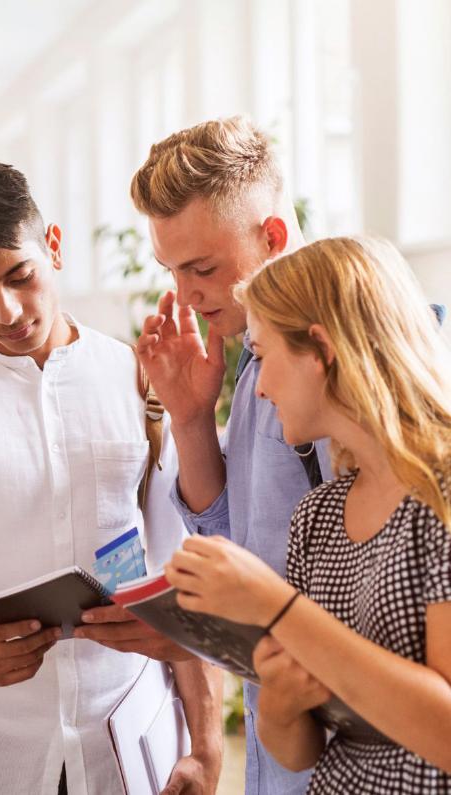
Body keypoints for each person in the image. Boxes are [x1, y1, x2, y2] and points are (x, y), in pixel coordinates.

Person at [0, 157, 222, 795]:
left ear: (52, 247)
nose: (4, 310)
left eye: (19, 276)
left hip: (128, 749)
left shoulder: (140, 378)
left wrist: (205, 744)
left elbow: (181, 564)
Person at [164, 236, 451, 792]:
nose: (261, 388)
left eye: (265, 356)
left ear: (320, 350)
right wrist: (280, 705)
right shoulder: (317, 516)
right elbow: (297, 753)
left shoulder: (439, 494)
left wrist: (276, 606)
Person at [131, 116, 323, 795]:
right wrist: (189, 417)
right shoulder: (253, 356)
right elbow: (236, 536)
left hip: (342, 746)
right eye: (172, 271)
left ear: (272, 234)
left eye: (202, 267)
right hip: (277, 742)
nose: (185, 294)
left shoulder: (338, 358)